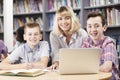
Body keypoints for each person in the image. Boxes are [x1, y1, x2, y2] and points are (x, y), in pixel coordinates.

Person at [82, 11, 119, 80]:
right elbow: (80, 63)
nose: (93, 29)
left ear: (104, 27)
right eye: (89, 26)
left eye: (96, 26)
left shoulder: (109, 43)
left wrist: (87, 69)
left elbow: (107, 68)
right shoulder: (86, 42)